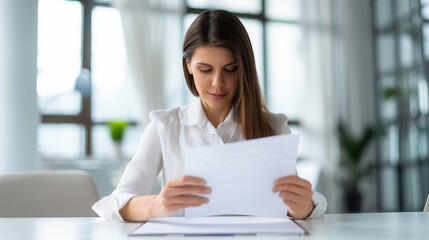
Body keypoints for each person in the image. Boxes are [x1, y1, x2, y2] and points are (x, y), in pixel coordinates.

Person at [92, 9, 327, 222]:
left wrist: (303, 206)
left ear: (244, 69)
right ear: (188, 67)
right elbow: (117, 202)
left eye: (230, 69)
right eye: (205, 69)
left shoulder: (273, 127)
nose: (218, 83)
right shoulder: (164, 126)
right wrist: (156, 204)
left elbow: (299, 207)